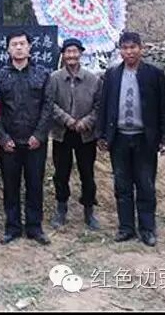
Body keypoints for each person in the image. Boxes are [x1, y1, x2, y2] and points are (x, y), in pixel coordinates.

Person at [97, 31, 165, 247]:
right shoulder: (112, 74)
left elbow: (163, 107)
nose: (129, 52)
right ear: (120, 50)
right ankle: (126, 227)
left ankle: (147, 229)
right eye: (125, 48)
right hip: (119, 138)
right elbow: (104, 105)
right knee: (122, 185)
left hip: (144, 138)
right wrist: (102, 134)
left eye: (133, 47)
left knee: (145, 184)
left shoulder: (154, 74)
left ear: (141, 48)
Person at [0, 31, 53, 245]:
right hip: (9, 143)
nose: (18, 48)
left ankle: (34, 227)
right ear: (8, 49)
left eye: (22, 44)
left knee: (35, 185)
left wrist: (39, 135)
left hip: (35, 142)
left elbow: (48, 106)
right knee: (11, 186)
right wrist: (2, 137)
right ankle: (12, 227)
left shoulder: (42, 74)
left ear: (29, 47)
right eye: (14, 44)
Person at [47, 38, 102, 230]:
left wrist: (86, 122)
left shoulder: (93, 79)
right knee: (61, 173)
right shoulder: (54, 78)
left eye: (75, 51)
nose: (71, 55)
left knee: (87, 172)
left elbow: (99, 105)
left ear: (81, 53)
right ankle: (61, 208)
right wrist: (67, 119)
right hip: (62, 133)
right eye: (68, 52)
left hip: (86, 134)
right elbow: (49, 103)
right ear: (63, 55)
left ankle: (89, 209)